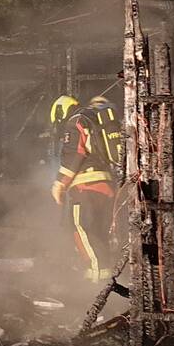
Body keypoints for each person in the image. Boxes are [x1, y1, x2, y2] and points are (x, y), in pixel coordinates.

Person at [50, 94, 122, 282]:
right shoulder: (94, 120)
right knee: (100, 233)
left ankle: (96, 280)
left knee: (82, 229)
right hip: (106, 187)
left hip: (85, 188)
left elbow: (74, 153)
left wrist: (59, 183)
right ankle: (109, 279)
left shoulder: (75, 121)